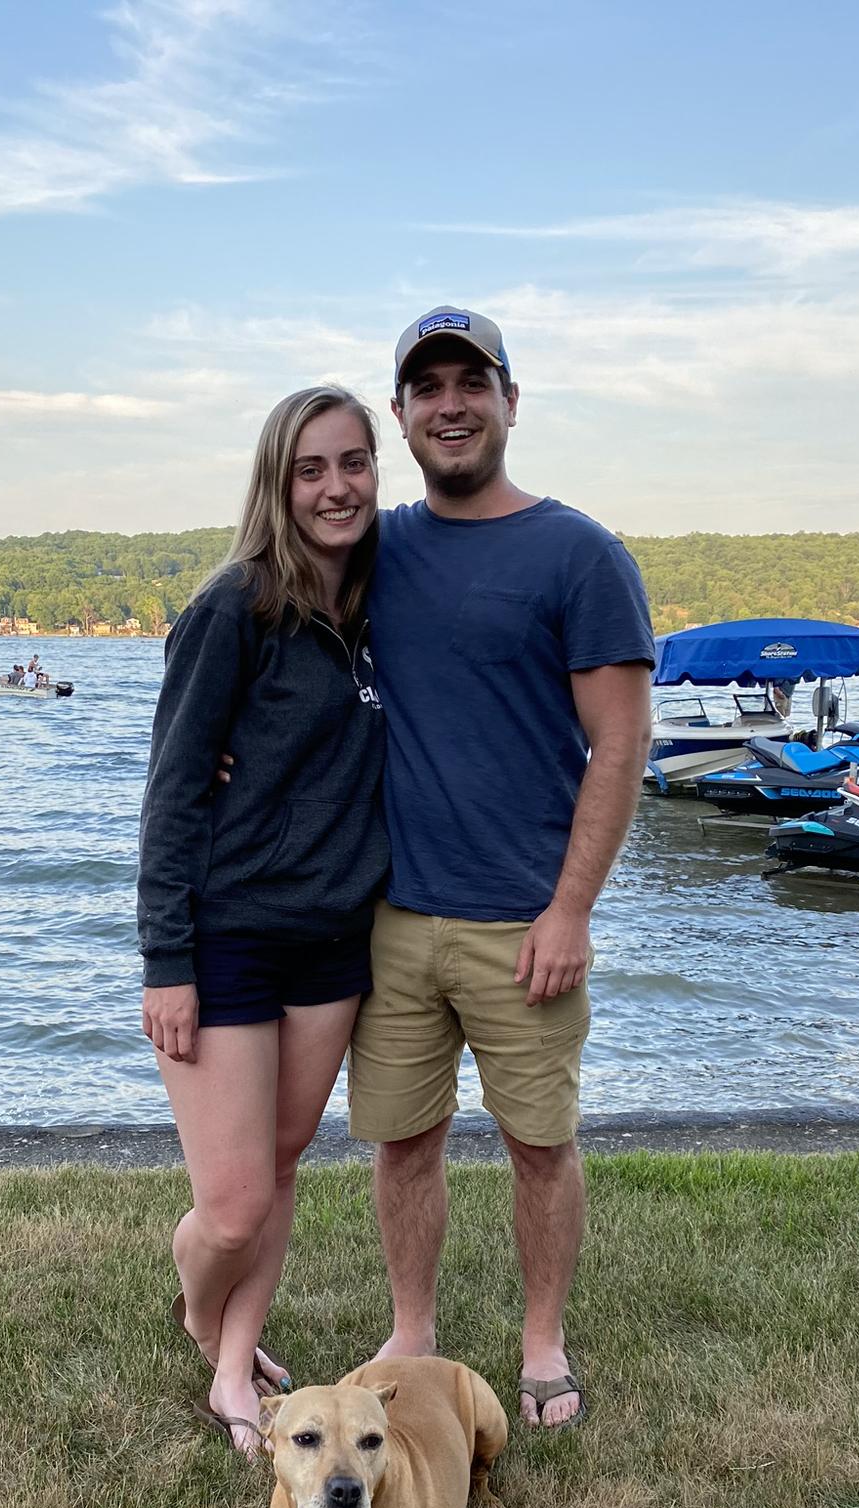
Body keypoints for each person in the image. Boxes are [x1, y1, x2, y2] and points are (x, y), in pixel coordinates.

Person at [348, 307, 654, 1431]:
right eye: (426, 388)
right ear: (402, 417)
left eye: (471, 382)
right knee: (403, 1139)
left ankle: (542, 1338)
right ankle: (414, 1329)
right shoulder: (376, 546)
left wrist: (572, 908)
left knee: (539, 1142)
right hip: (393, 916)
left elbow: (620, 745)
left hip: (527, 918)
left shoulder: (579, 554)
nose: (450, 404)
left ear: (511, 401)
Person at [138, 385, 389, 1459]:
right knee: (232, 1204)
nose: (336, 486)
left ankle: (236, 1369)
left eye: (354, 462)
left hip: (335, 942)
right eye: (311, 467)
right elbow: (173, 788)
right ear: (277, 481)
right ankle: (204, 1310)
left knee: (283, 1164)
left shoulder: (383, 609)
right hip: (229, 932)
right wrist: (166, 959)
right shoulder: (231, 607)